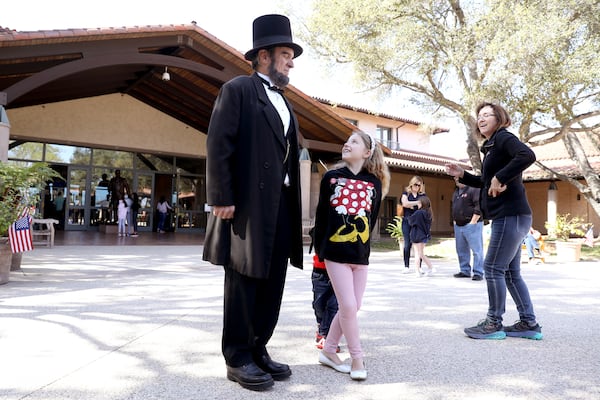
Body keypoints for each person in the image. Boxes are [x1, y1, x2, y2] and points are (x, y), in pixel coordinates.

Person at [201, 14, 304, 392]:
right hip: (245, 205)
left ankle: (259, 347)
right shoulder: (238, 90)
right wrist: (220, 198)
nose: (291, 61)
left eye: (291, 54)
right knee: (244, 279)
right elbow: (218, 144)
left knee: (273, 278)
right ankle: (238, 356)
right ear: (263, 56)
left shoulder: (284, 101)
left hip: (281, 205)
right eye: (284, 53)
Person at [445, 102, 543, 340]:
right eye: (479, 116)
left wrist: (500, 176)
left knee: (493, 268)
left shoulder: (503, 138)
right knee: (510, 272)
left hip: (509, 215)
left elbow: (528, 155)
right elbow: (486, 181)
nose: (481, 118)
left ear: (499, 118)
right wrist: (463, 175)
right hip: (514, 215)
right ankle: (528, 323)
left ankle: (493, 323)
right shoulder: (490, 146)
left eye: (487, 114)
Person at [313, 131, 390, 381]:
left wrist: (364, 252)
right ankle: (357, 357)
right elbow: (322, 215)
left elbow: (372, 219)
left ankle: (328, 351)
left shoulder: (374, 183)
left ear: (367, 153)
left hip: (360, 255)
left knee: (353, 307)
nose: (347, 143)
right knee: (347, 305)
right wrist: (320, 251)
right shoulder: (332, 177)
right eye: (346, 140)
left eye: (354, 141)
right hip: (334, 253)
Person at [451, 176, 485, 280]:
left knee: (476, 250)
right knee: (461, 249)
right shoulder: (456, 192)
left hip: (472, 223)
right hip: (458, 225)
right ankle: (464, 270)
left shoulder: (473, 189)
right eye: (455, 178)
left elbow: (479, 206)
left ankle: (478, 272)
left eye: (459, 177)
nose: (456, 180)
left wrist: (473, 222)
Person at [311, 253, 339, 351]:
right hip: (320, 271)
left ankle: (325, 335)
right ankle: (321, 325)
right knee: (318, 304)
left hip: (340, 271)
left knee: (333, 305)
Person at [400, 176, 427, 273]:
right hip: (407, 221)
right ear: (412, 184)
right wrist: (416, 203)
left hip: (418, 222)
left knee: (419, 245)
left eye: (419, 185)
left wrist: (411, 204)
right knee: (407, 244)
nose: (417, 187)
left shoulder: (423, 195)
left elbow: (424, 206)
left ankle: (419, 267)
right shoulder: (406, 193)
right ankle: (406, 266)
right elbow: (405, 204)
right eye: (416, 184)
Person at [408, 195, 434, 277]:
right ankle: (430, 267)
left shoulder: (418, 213)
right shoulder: (428, 213)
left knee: (417, 254)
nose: (417, 204)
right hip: (424, 235)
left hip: (417, 235)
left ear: (422, 203)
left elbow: (411, 221)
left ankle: (417, 271)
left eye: (419, 203)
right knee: (421, 253)